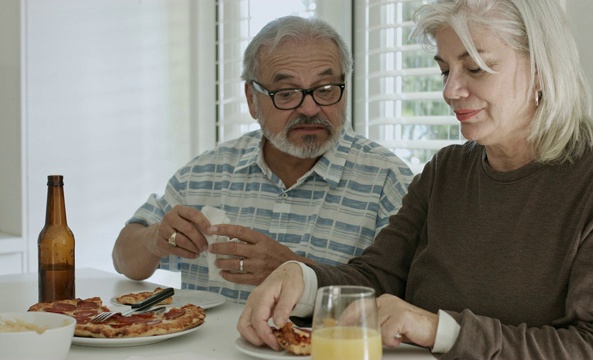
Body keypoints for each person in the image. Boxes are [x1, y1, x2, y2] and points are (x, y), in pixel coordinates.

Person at [237, 0, 593, 358]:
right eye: (445, 69)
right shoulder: (446, 171)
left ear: (541, 68)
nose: (451, 90)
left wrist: (437, 330)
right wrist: (301, 277)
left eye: (476, 68)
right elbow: (377, 278)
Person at [111, 16, 414, 304]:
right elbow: (124, 259)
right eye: (286, 93)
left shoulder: (388, 182)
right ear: (251, 99)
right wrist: (154, 239)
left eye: (325, 89)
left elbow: (405, 300)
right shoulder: (204, 174)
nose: (310, 108)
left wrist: (295, 271)